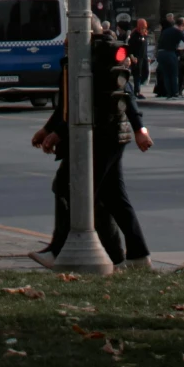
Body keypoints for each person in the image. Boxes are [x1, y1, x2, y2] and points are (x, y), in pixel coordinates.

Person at [31, 19, 154, 266]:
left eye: (73, 34)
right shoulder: (78, 61)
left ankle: (57, 251)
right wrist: (47, 130)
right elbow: (69, 106)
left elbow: (98, 104)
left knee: (68, 187)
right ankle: (137, 256)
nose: (66, 41)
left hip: (104, 137)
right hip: (103, 137)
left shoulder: (99, 59)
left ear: (87, 36)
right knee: (113, 198)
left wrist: (141, 128)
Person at [154, 14, 184, 97]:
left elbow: (159, 44)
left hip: (161, 54)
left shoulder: (163, 32)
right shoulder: (176, 31)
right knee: (174, 74)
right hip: (171, 53)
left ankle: (169, 93)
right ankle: (175, 92)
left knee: (166, 75)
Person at [127, 17, 151, 97]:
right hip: (136, 57)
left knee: (145, 73)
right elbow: (130, 48)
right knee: (137, 74)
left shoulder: (145, 35)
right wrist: (132, 57)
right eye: (142, 28)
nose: (143, 30)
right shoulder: (134, 36)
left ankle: (138, 86)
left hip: (144, 57)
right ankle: (137, 91)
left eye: (144, 28)